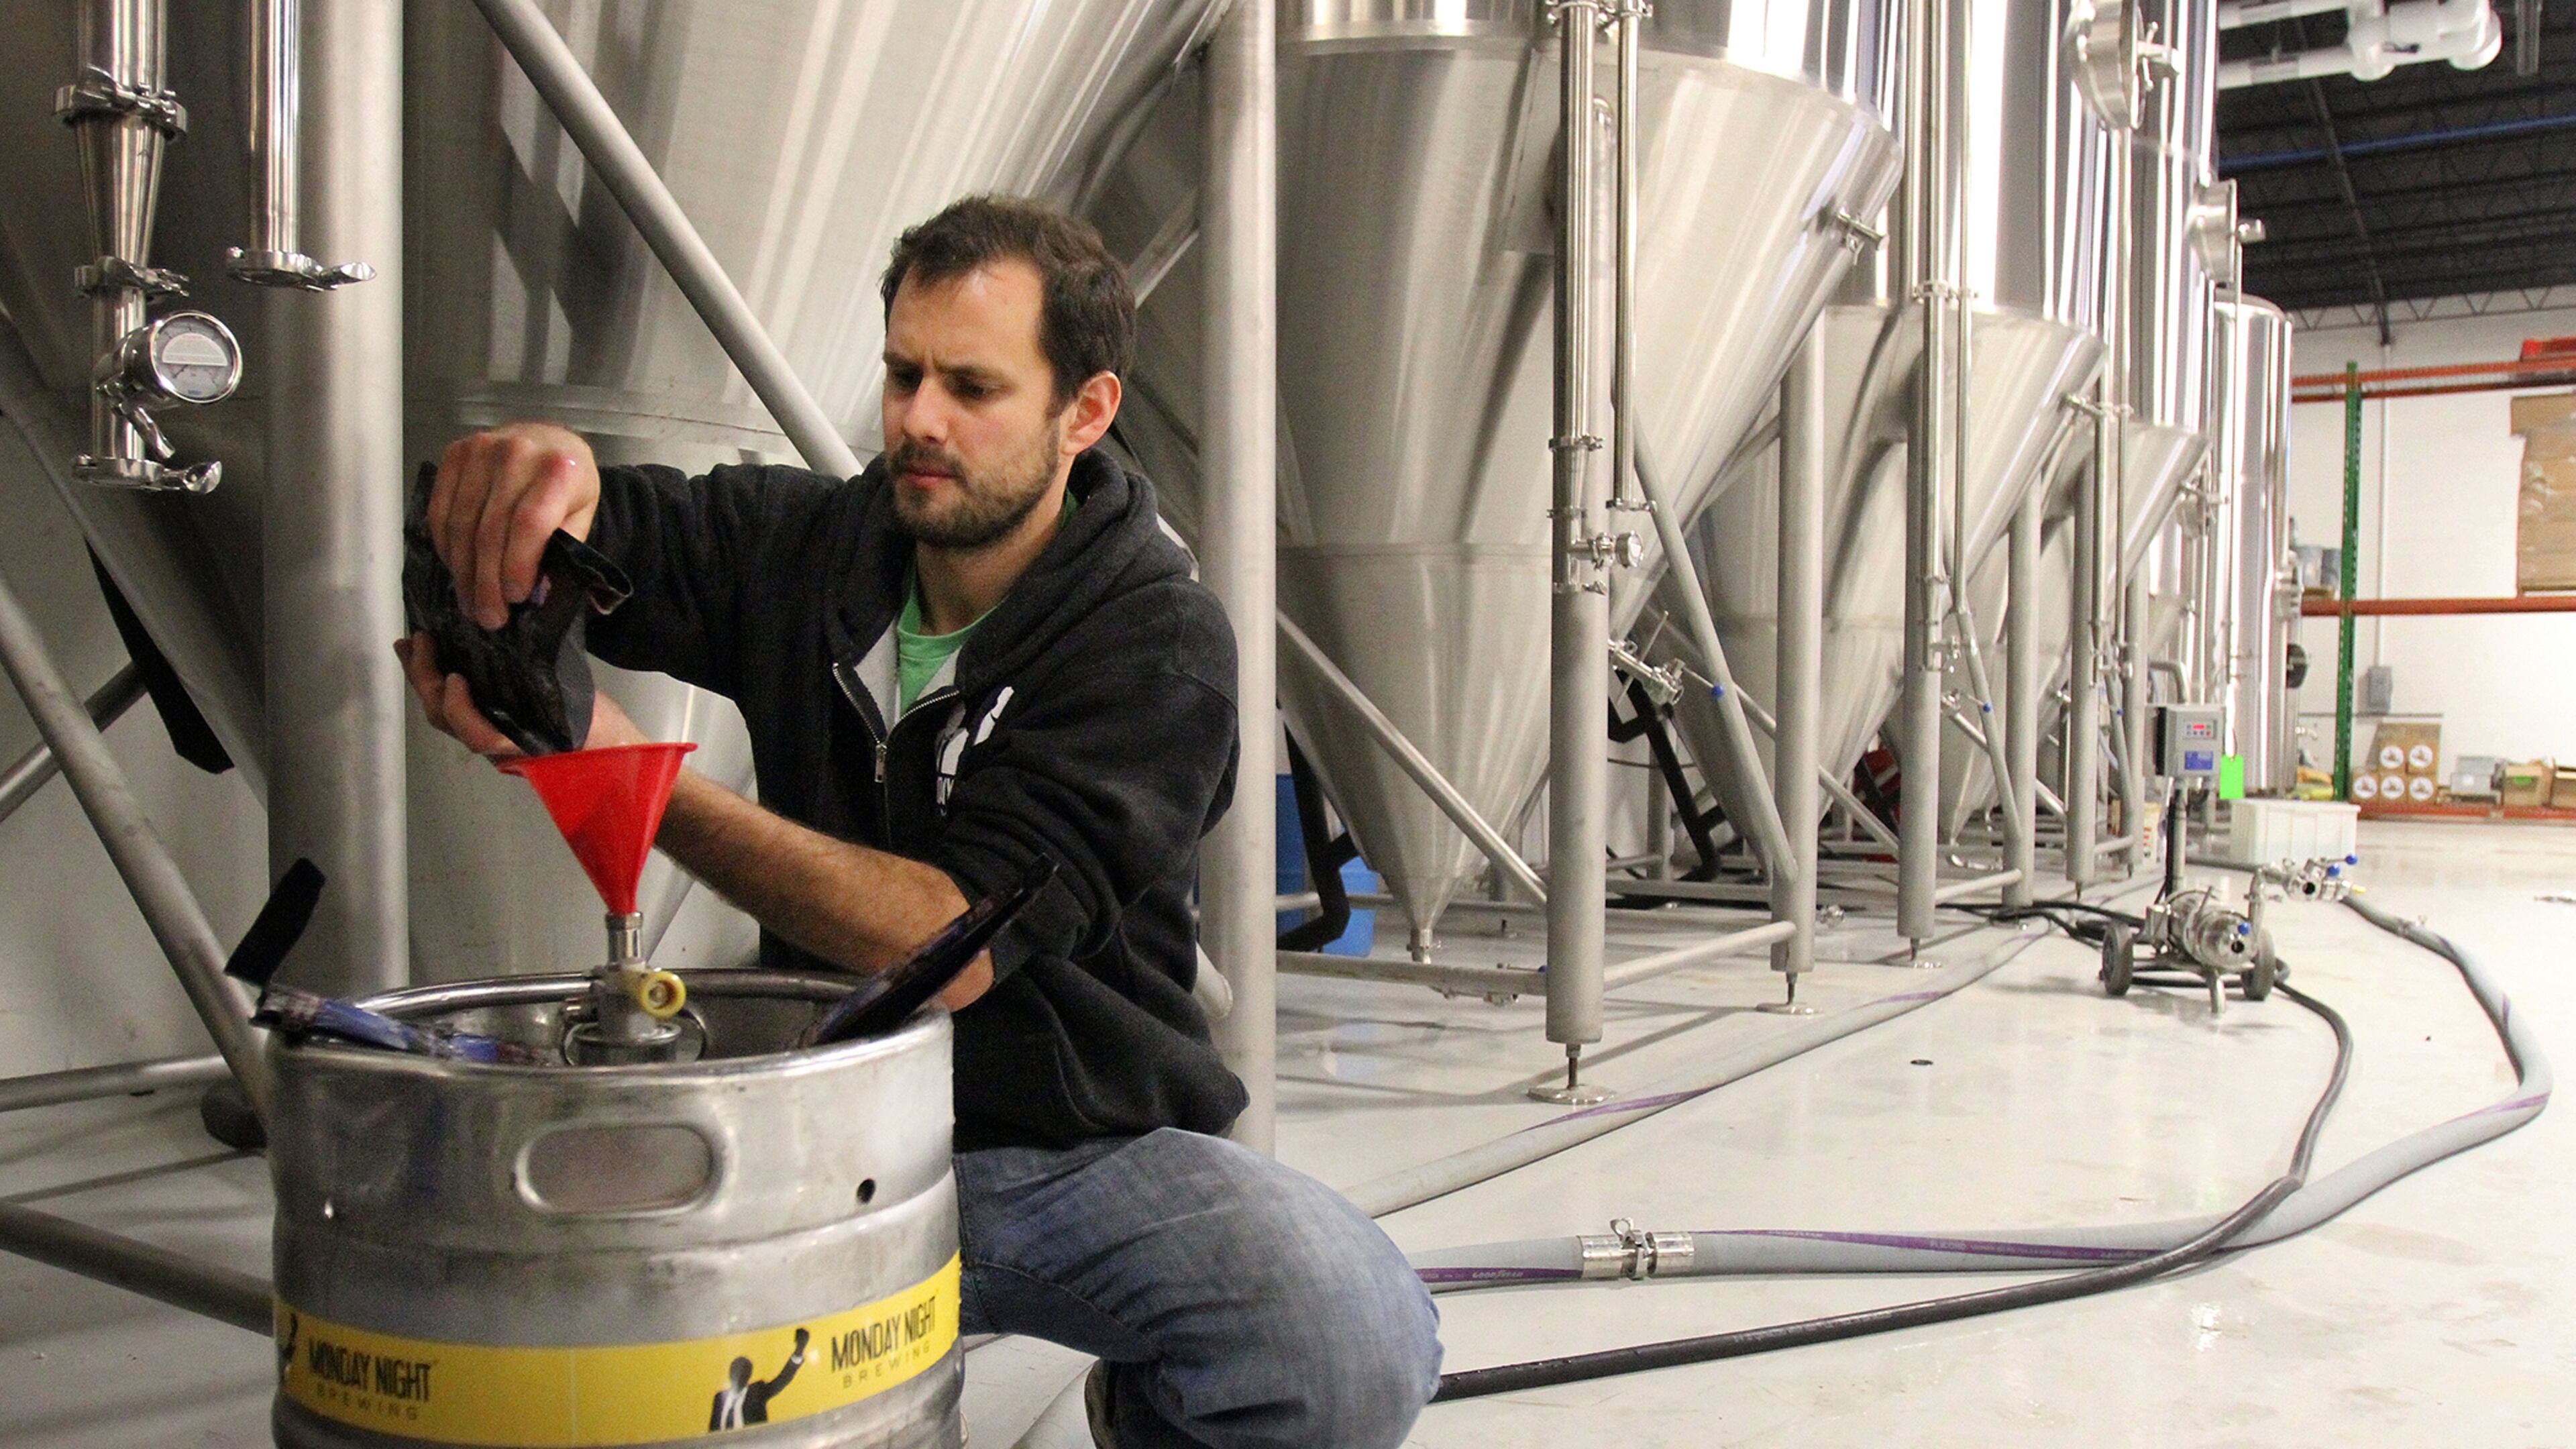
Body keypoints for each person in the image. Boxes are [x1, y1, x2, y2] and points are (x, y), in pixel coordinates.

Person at [399, 195, 1442, 1448]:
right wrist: (532, 496)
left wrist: (636, 782)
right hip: (815, 1127)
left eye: (972, 387)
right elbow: (604, 535)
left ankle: (1147, 1406)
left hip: (1066, 1154)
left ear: (1086, 413)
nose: (920, 422)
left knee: (1345, 1335)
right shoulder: (809, 546)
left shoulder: (1159, 648)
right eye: (902, 375)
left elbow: (943, 946)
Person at [710, 1329, 808, 1430]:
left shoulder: (757, 1392)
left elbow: (782, 1379)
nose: (739, 1375)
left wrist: (799, 1351)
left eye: (744, 1372)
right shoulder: (719, 1398)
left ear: (749, 1376)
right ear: (730, 1373)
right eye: (735, 1370)